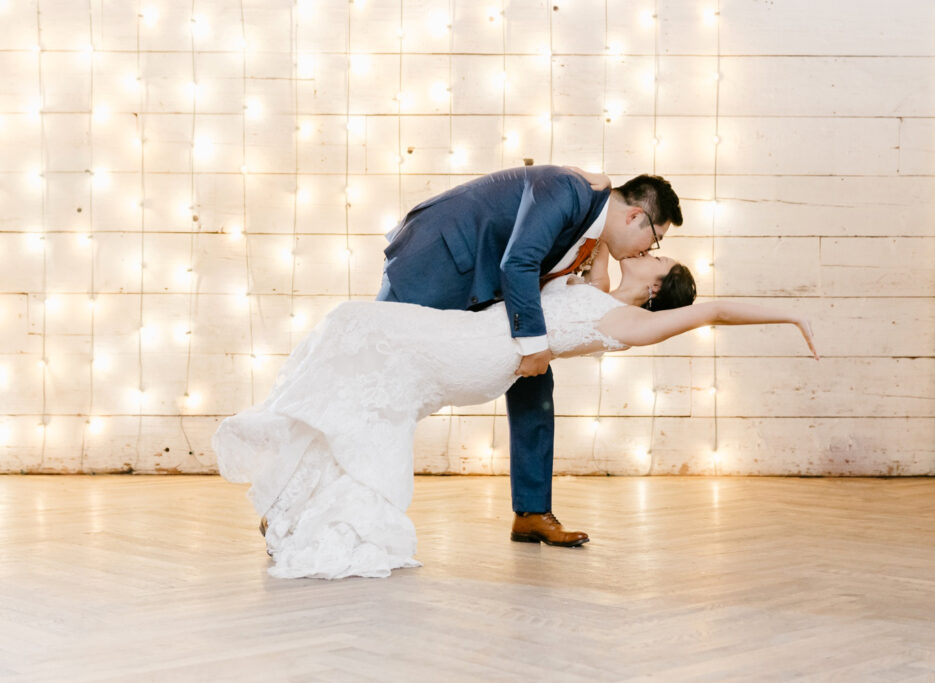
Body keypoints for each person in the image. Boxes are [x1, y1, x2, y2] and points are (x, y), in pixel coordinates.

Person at [213, 254, 818, 580]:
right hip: (467, 336)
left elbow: (711, 311)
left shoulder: (632, 322)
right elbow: (599, 222)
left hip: (477, 356)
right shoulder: (599, 282)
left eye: (658, 261)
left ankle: (304, 504)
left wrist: (792, 317)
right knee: (356, 358)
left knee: (355, 324)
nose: (650, 252)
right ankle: (290, 512)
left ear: (658, 290)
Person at [376, 164, 684, 548]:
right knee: (378, 380)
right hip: (436, 263)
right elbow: (519, 262)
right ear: (635, 216)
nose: (648, 250)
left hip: (487, 289)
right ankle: (308, 494)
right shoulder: (568, 190)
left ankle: (532, 513)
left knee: (535, 383)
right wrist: (535, 347)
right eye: (654, 240)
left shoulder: (593, 223)